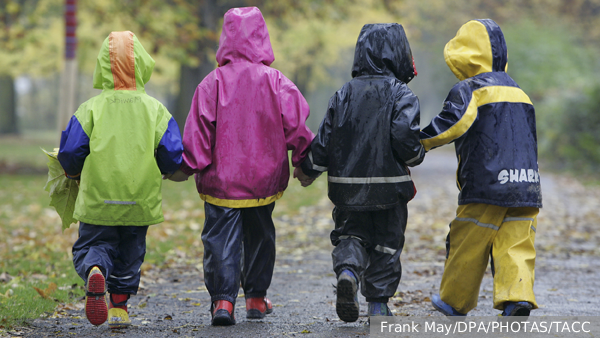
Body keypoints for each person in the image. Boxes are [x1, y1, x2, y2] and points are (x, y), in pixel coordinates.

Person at [173, 7, 314, 326]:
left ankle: (223, 301)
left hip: (221, 182)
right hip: (263, 182)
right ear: (261, 37)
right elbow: (298, 128)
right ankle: (255, 298)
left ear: (225, 39)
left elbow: (198, 132)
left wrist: (185, 166)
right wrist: (304, 163)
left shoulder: (211, 84)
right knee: (260, 238)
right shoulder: (277, 82)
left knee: (219, 241)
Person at [297, 23, 424, 322]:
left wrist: (308, 169)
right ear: (400, 54)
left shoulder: (342, 94)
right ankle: (378, 306)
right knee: (387, 244)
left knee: (350, 235)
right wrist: (416, 154)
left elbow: (325, 141)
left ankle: (348, 272)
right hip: (390, 189)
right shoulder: (401, 93)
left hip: (347, 189)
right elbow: (405, 135)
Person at [57, 31, 183, 328]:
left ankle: (95, 268)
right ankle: (118, 309)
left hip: (99, 198)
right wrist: (167, 169)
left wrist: (72, 171)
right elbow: (172, 152)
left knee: (93, 245)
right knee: (130, 254)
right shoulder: (155, 110)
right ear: (142, 65)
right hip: (139, 199)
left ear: (102, 66)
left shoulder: (90, 109)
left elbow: (72, 150)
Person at [420, 19, 542, 317]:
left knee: (468, 241)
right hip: (526, 184)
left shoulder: (470, 89)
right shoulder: (521, 93)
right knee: (516, 242)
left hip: (486, 185)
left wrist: (417, 143)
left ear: (463, 54)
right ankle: (517, 297)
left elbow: (452, 125)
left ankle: (454, 300)